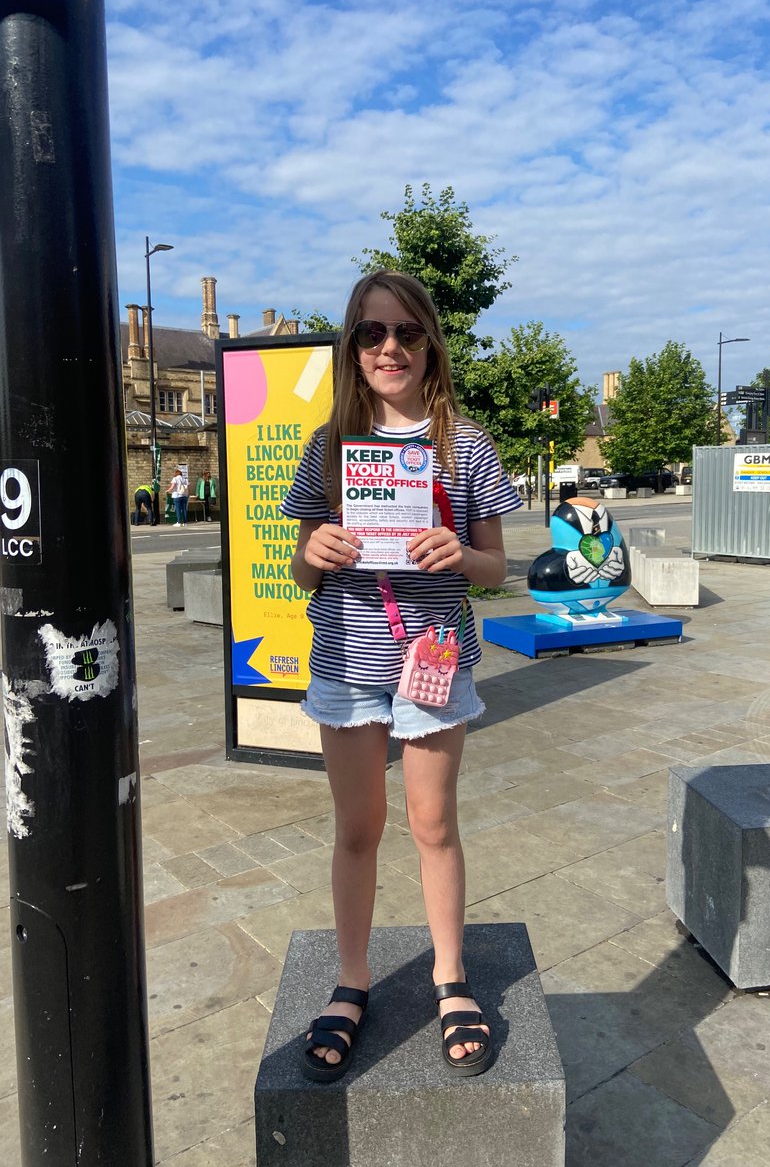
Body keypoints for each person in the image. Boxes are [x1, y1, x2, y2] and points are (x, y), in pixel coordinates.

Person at [282, 269, 521, 1083]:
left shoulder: (467, 446)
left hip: (434, 666)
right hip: (349, 664)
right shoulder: (327, 448)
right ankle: (353, 980)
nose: (391, 348)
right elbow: (302, 572)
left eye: (408, 333)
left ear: (431, 347)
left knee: (433, 826)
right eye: (373, 334)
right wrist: (310, 553)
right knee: (357, 829)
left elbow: (497, 569)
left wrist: (465, 555)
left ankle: (449, 977)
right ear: (351, 348)